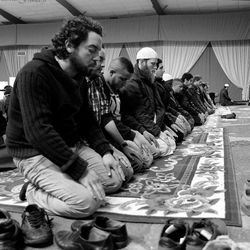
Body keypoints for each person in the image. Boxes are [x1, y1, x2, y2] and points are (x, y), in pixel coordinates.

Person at [6, 15, 126, 218]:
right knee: (86, 203)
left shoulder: (80, 78)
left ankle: (59, 179)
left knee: (116, 178)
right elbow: (39, 133)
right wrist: (81, 171)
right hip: (33, 152)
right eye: (92, 50)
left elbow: (87, 121)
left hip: (67, 145)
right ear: (70, 45)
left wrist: (105, 151)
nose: (98, 58)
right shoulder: (34, 73)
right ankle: (33, 191)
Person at [119, 47, 176, 157]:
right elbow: (139, 114)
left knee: (171, 143)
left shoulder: (149, 80)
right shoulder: (133, 83)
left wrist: (162, 129)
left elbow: (158, 108)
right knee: (164, 149)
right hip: (140, 127)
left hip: (151, 125)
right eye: (153, 64)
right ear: (142, 62)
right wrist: (157, 132)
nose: (155, 67)